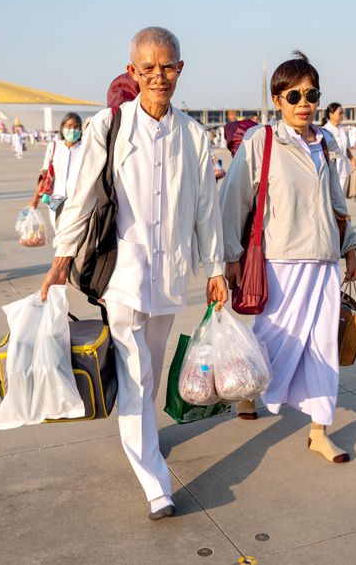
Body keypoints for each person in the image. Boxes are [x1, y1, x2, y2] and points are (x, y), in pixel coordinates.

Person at [39, 27, 226, 521]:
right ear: (132, 72)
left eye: (167, 67)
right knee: (137, 373)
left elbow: (207, 208)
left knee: (152, 366)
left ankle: (142, 435)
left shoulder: (193, 135)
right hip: (122, 273)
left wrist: (215, 268)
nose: (158, 77)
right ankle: (154, 483)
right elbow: (80, 198)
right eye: (148, 69)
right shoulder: (109, 126)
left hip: (170, 276)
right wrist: (61, 259)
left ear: (180, 70)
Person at [220, 51, 356, 463]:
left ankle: (319, 430)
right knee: (274, 341)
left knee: (322, 348)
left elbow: (336, 202)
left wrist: (349, 247)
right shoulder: (262, 141)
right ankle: (244, 389)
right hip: (280, 262)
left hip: (324, 261)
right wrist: (230, 256)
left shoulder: (327, 142)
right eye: (294, 94)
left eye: (311, 94)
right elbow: (234, 200)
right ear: (277, 99)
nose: (304, 103)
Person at [29, 113, 85, 217]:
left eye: (76, 127)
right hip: (55, 200)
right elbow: (44, 175)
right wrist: (35, 199)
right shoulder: (54, 147)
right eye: (69, 126)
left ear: (80, 129)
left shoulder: (85, 149)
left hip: (78, 201)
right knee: (57, 230)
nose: (72, 130)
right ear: (62, 128)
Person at [321, 102, 356, 193]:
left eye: (343, 113)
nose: (342, 115)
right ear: (331, 114)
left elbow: (346, 148)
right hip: (330, 171)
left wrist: (352, 159)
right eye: (340, 113)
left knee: (341, 200)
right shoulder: (324, 130)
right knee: (332, 200)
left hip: (344, 170)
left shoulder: (344, 129)